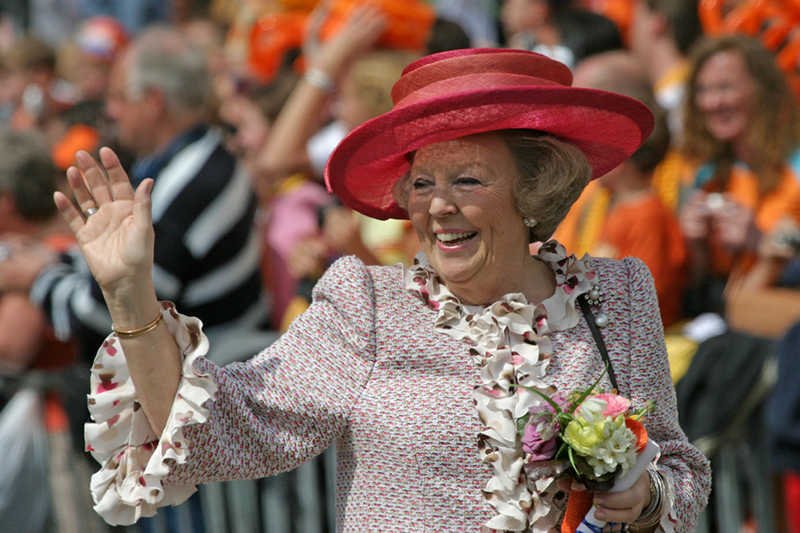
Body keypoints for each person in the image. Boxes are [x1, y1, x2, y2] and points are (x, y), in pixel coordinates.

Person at [58, 48, 710, 530]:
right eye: (423, 183)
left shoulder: (615, 296)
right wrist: (129, 296)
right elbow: (217, 425)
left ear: (534, 189)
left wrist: (647, 499)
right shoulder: (368, 304)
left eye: (469, 181)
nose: (438, 207)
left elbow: (680, 467)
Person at [678, 34, 800, 316]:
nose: (712, 102)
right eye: (702, 90)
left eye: (725, 87)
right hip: (726, 321)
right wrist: (696, 249)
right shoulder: (704, 174)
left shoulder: (794, 166)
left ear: (763, 90)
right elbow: (700, 287)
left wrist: (760, 241)